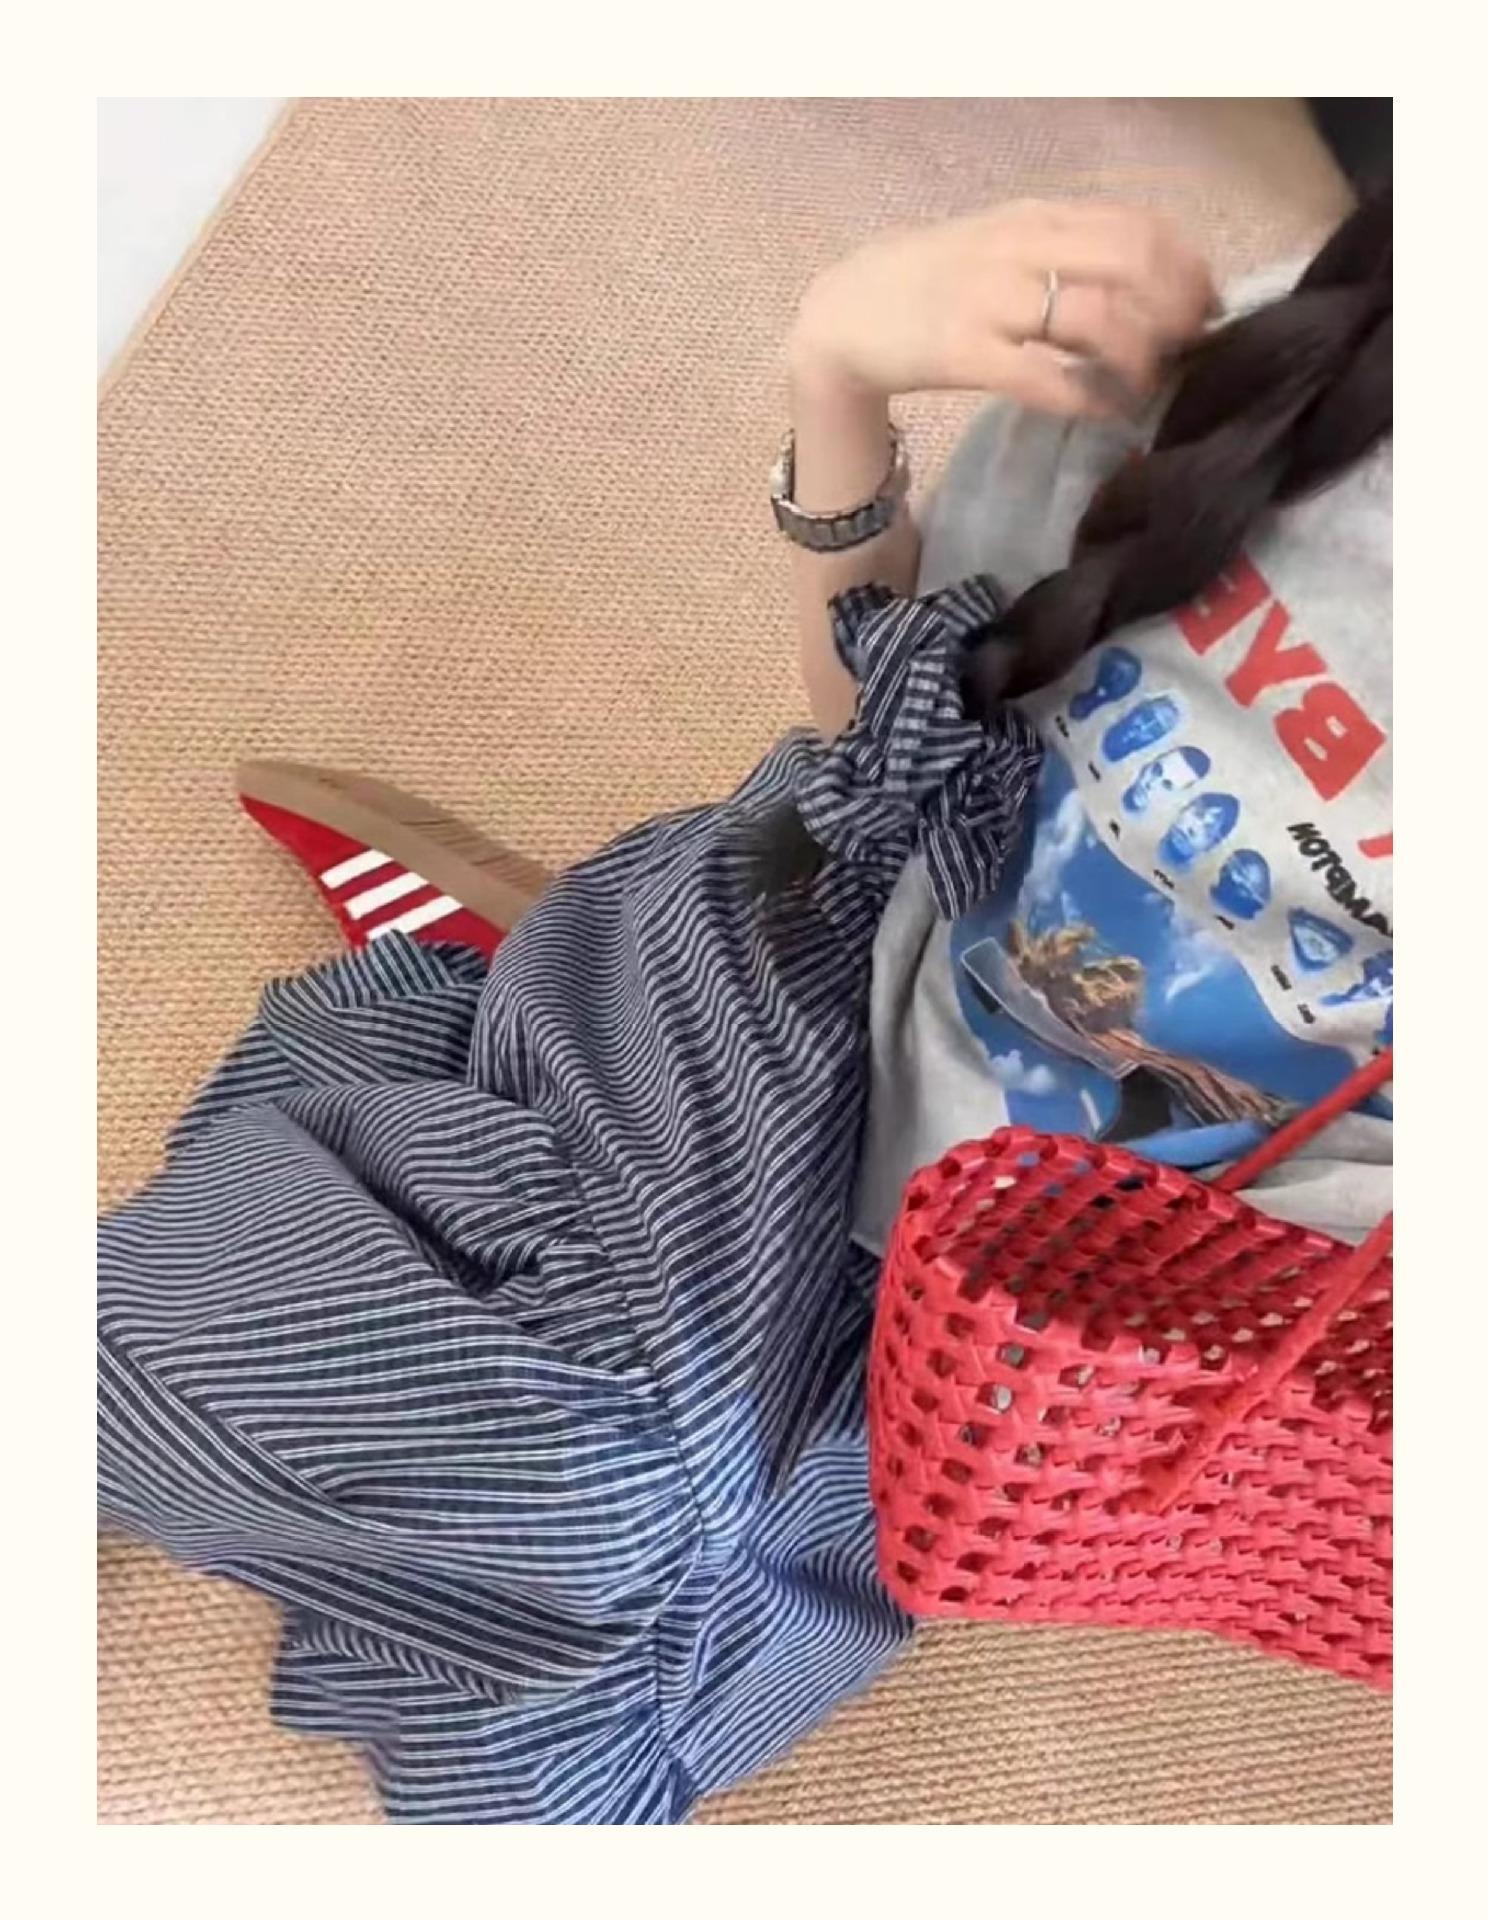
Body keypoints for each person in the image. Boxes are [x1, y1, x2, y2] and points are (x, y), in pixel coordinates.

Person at [98, 191, 1391, 1824]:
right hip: (783, 1003)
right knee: (510, 1464)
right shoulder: (1275, 374)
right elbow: (884, 730)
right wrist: (837, 374)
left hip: (1044, 1294)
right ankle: (459, 1075)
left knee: (580, 1758)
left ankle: (450, 1064)